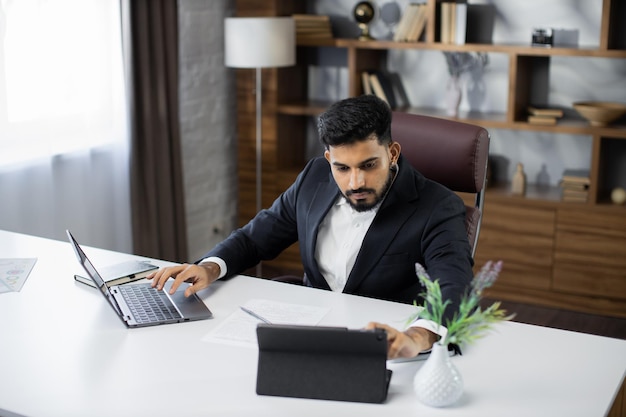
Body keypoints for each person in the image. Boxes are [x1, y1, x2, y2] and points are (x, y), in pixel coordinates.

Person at [149, 95, 473, 358]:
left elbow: (453, 285)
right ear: (328, 158)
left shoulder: (438, 207)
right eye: (342, 168)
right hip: (312, 333)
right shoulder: (314, 178)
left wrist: (416, 337)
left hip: (385, 346)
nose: (355, 181)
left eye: (369, 165)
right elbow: (255, 238)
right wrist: (208, 267)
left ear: (392, 153)